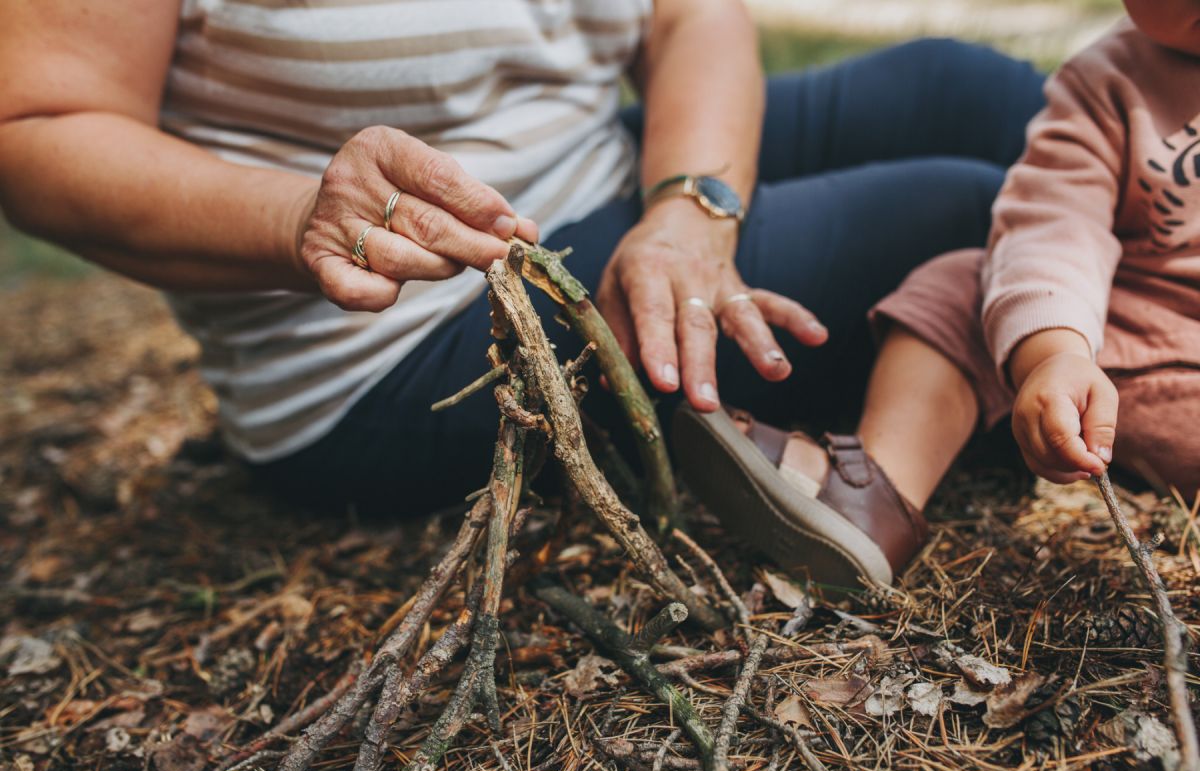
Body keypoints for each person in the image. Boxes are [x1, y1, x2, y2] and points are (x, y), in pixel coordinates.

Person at [0, 2, 1044, 519]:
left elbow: (690, 15)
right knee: (964, 213)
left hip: (602, 166)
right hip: (400, 337)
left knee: (980, 96)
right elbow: (35, 123)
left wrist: (689, 205)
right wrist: (299, 219)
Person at [679, 0, 1200, 591]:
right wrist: (1056, 354)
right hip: (1123, 349)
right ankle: (871, 495)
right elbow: (1055, 225)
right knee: (965, 284)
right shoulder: (1110, 81)